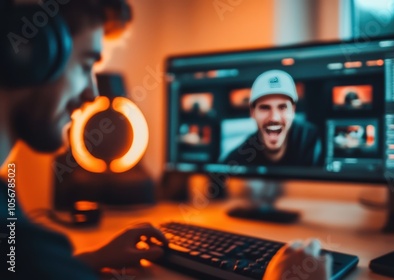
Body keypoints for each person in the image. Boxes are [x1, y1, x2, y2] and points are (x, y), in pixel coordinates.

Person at [0, 1, 332, 279]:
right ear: (30, 53)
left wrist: (81, 264)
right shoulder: (23, 244)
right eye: (86, 64)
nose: (93, 94)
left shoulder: (19, 236)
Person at [223, 69, 322, 166]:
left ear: (292, 110)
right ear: (253, 113)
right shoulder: (240, 158)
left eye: (282, 107)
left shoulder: (310, 140)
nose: (274, 118)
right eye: (265, 108)